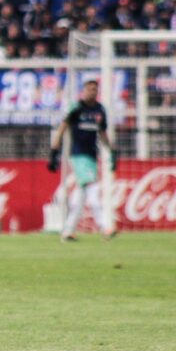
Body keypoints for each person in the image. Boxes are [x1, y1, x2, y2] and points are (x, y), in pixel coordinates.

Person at [48, 79, 115, 241]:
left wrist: (112, 151)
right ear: (83, 91)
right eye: (89, 89)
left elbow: (102, 133)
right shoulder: (76, 108)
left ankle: (68, 230)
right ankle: (104, 226)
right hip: (78, 155)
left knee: (81, 195)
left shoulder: (100, 110)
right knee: (93, 188)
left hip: (92, 156)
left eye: (95, 89)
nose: (92, 92)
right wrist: (54, 152)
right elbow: (62, 128)